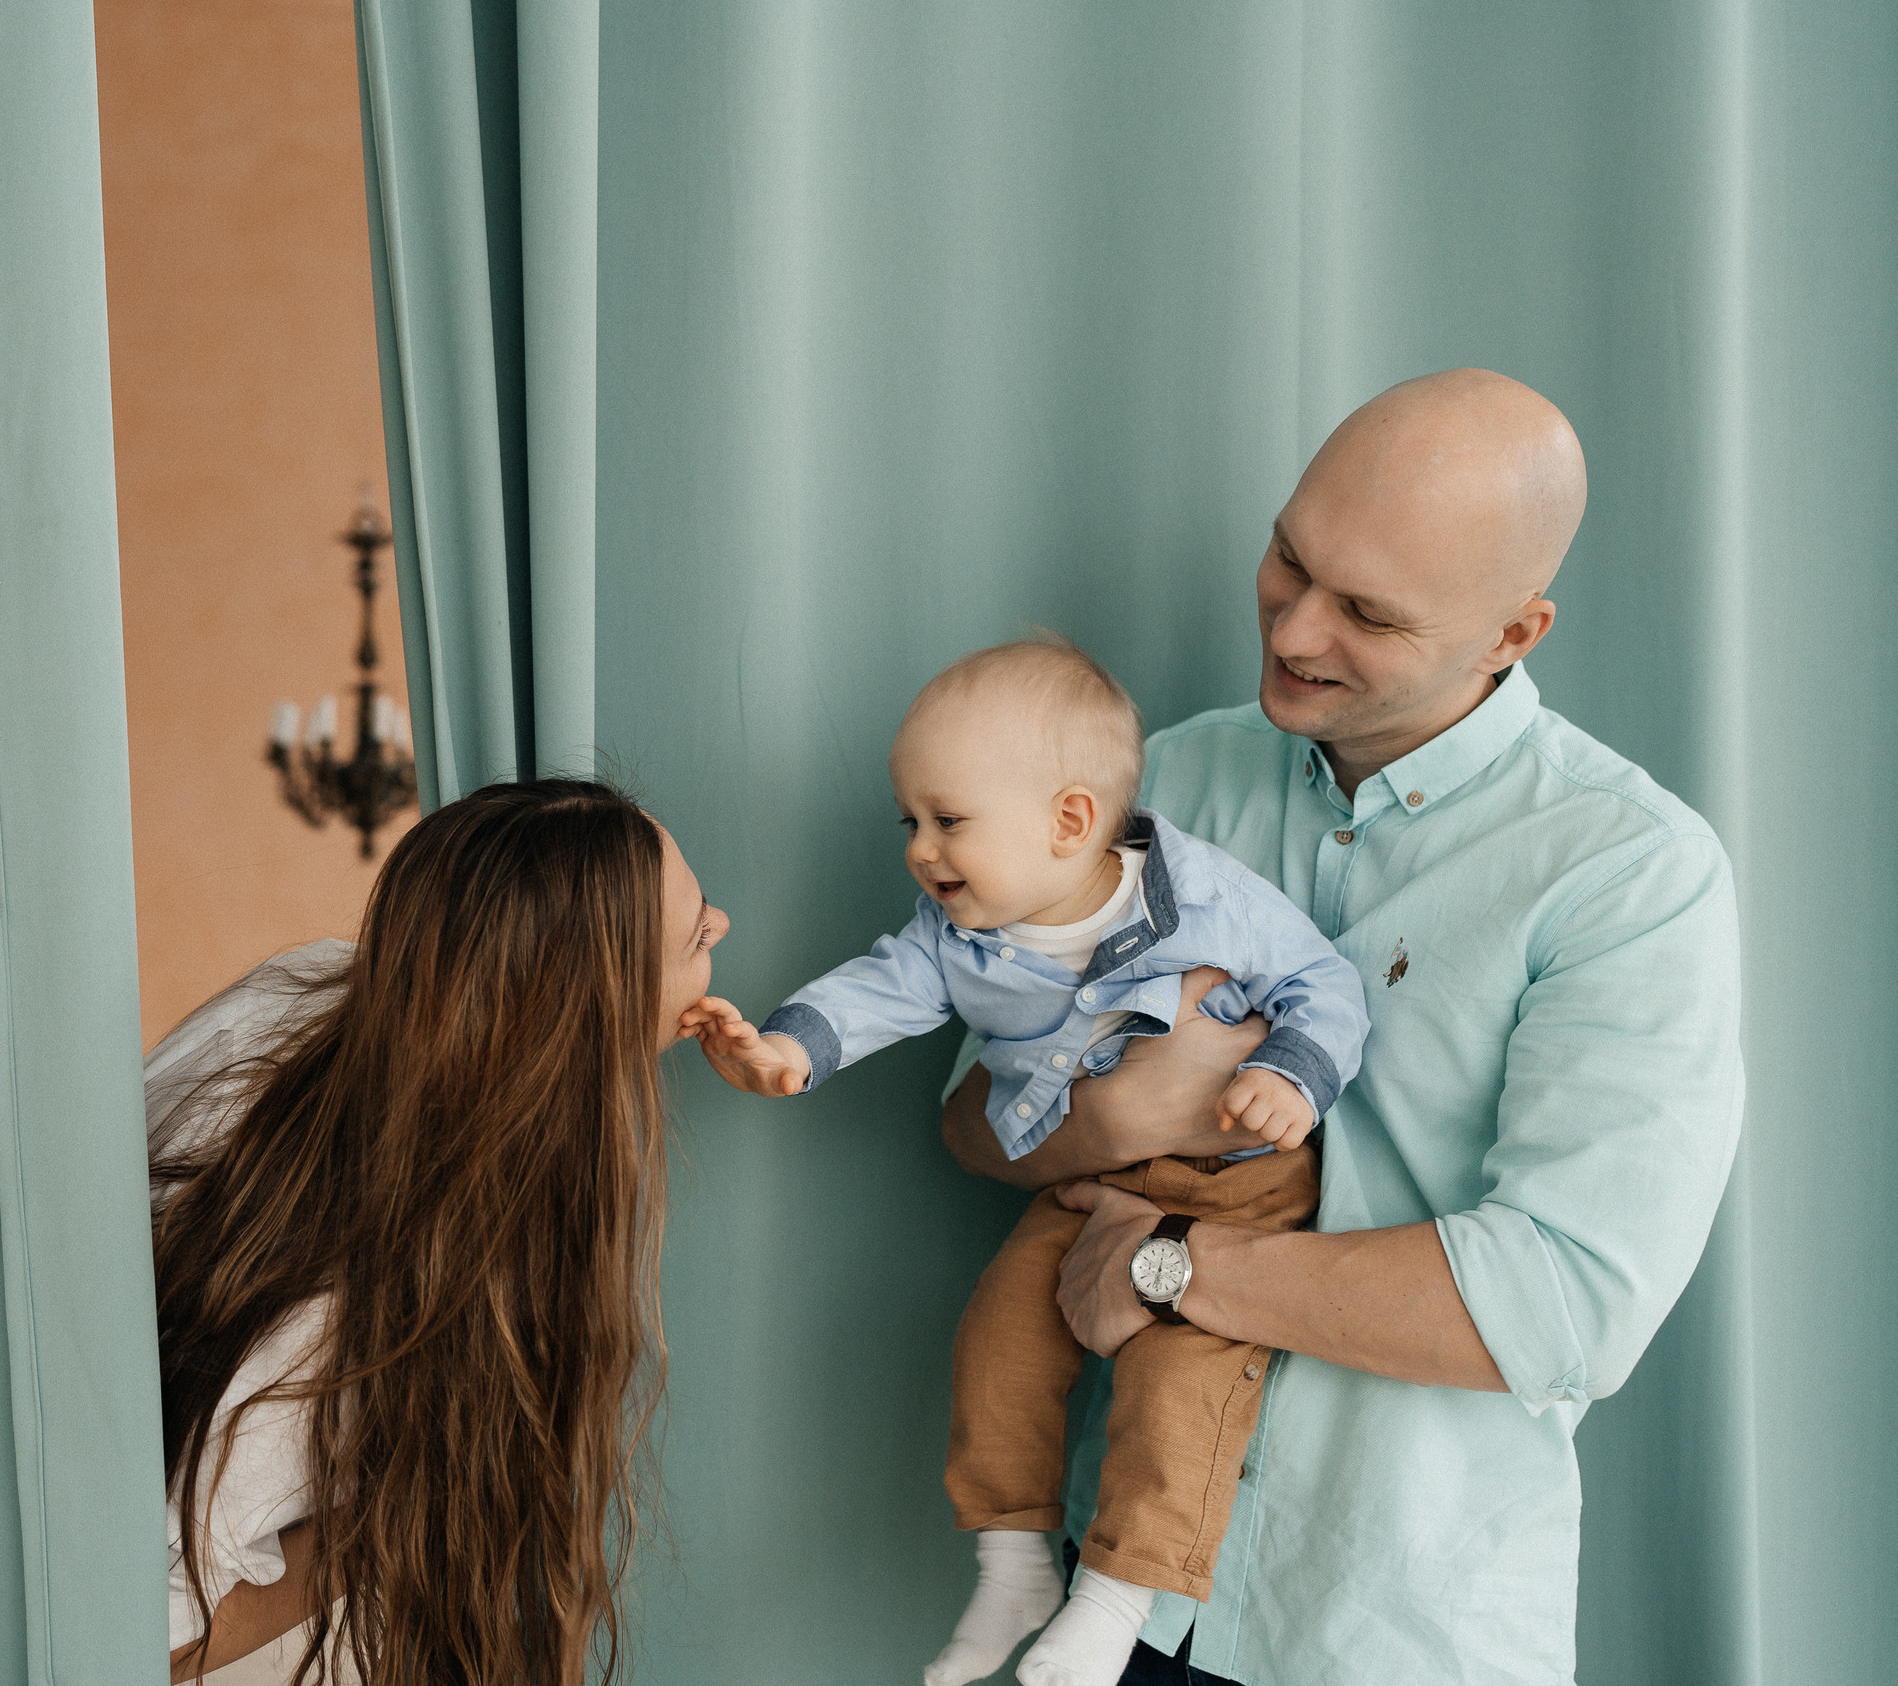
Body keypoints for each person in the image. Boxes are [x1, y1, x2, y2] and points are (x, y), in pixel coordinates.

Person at [940, 370, 1743, 1685]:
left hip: (1397, 1632)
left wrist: (1167, 1263)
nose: (1295, 624)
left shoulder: (1630, 871)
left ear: (1514, 630)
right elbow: (973, 1113)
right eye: (1290, 556)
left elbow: (1565, 1300)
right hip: (1118, 1615)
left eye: (1366, 610)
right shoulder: (1163, 783)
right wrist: (1125, 1111)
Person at [688, 637, 1367, 1686]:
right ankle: (1014, 1566)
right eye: (909, 820)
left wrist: (1292, 1073)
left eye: (948, 821)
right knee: (1000, 1340)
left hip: (1237, 1188)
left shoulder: (1202, 898)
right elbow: (873, 993)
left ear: (1069, 822)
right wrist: (783, 1051)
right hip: (1090, 1184)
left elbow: (1325, 983)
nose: (920, 850)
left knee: (1177, 1381)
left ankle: (1115, 1600)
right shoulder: (955, 934)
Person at [146, 778, 731, 1686]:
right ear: (598, 1011)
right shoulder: (333, 1306)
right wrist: (383, 1532)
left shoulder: (315, 986)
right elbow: (147, 1630)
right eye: (696, 937)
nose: (723, 926)